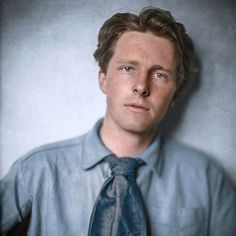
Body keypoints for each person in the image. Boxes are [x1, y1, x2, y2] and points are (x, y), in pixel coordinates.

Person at [1, 6, 236, 236]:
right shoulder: (36, 170)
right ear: (103, 79)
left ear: (175, 94)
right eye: (127, 68)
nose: (142, 86)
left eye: (159, 74)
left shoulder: (208, 180)